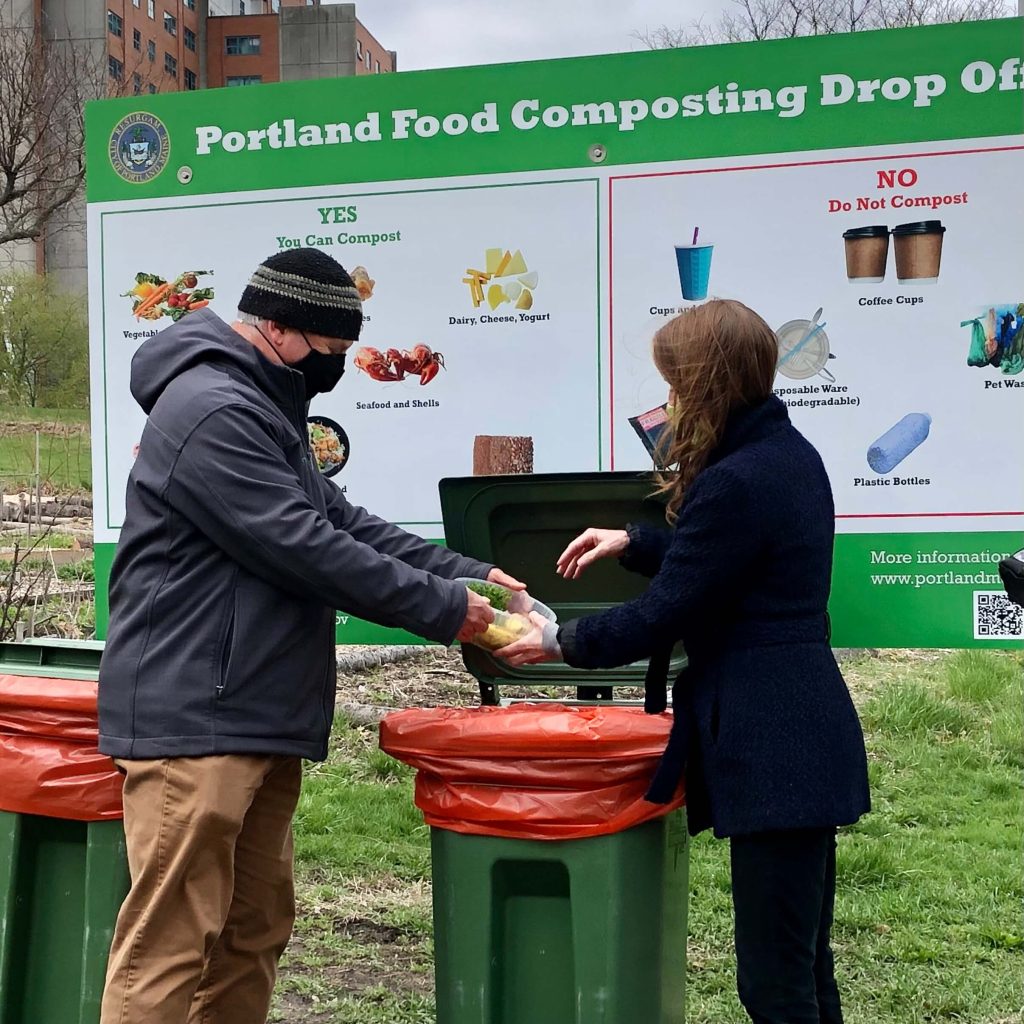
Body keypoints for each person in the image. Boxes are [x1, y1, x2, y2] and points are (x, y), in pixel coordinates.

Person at [98, 248, 519, 1024]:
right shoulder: (213, 410)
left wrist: (472, 575)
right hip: (197, 718)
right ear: (282, 328)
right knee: (170, 946)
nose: (340, 367)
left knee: (252, 933)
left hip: (254, 711)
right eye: (333, 351)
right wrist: (450, 612)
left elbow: (342, 521)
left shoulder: (261, 403)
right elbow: (302, 546)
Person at [498, 299, 871, 1024]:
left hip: (774, 742)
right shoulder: (784, 453)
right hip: (803, 722)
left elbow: (665, 613)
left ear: (706, 385)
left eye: (675, 381)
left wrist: (556, 643)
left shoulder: (735, 480)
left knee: (775, 983)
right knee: (803, 966)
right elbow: (735, 566)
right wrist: (636, 542)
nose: (666, 398)